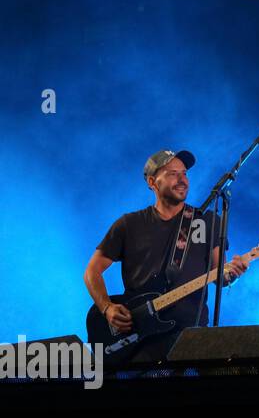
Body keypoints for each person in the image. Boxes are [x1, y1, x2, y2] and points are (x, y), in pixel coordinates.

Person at [84, 149, 249, 362]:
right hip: (140, 337)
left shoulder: (206, 221)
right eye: (173, 174)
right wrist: (106, 308)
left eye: (184, 173)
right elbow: (92, 272)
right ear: (152, 182)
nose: (182, 180)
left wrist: (234, 273)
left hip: (192, 335)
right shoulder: (129, 224)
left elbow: (222, 277)